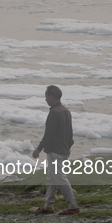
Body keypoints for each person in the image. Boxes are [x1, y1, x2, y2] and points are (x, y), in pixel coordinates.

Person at [32, 85, 80, 215]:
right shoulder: (65, 111)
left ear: (51, 97)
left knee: (59, 177)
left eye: (46, 96)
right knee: (51, 178)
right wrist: (69, 147)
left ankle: (73, 205)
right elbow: (70, 132)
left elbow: (49, 134)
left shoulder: (54, 112)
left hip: (55, 150)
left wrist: (38, 149)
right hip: (63, 148)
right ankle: (48, 206)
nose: (45, 99)